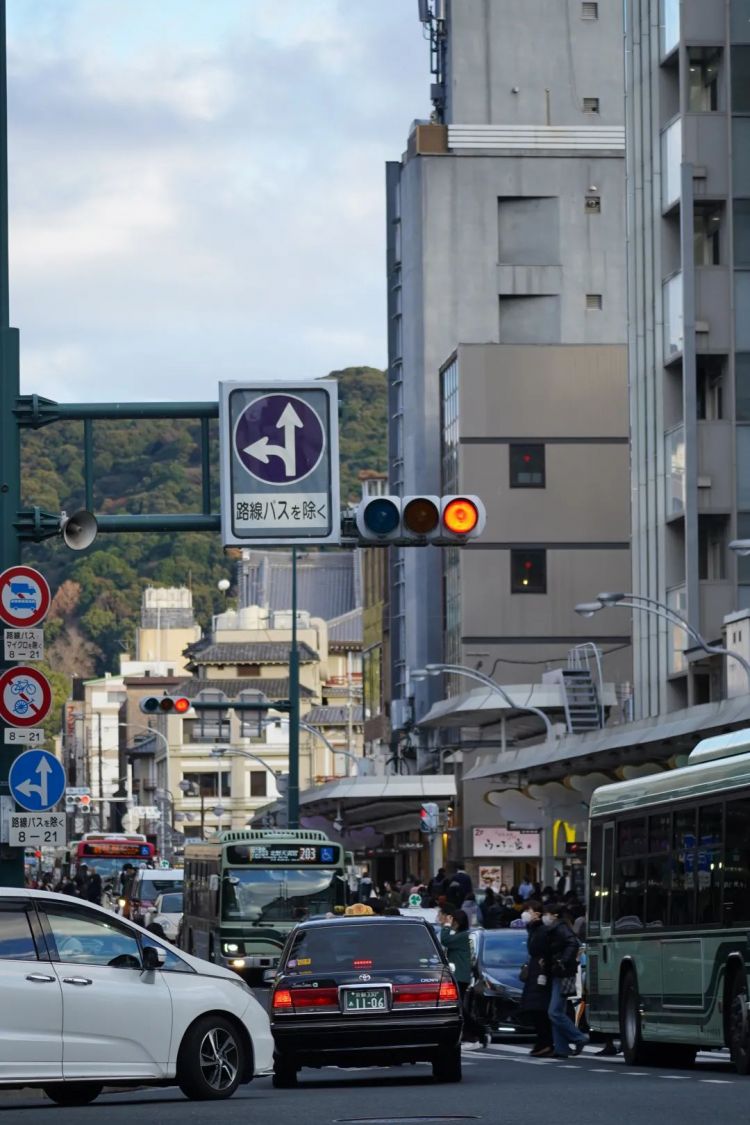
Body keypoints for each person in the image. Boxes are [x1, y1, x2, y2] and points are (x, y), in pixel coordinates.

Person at [438, 908, 489, 1048]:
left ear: (457, 922)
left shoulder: (462, 936)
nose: (450, 922)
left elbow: (445, 940)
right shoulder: (461, 936)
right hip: (458, 975)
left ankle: (477, 1033)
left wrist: (446, 926)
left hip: (460, 976)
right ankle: (476, 1033)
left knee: (459, 1009)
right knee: (459, 1008)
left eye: (452, 920)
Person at [544, 902, 588, 1059]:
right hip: (560, 972)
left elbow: (572, 943)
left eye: (546, 913)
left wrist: (562, 961)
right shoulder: (559, 926)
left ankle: (578, 1037)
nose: (545, 917)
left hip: (562, 973)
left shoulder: (560, 927)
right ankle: (561, 1047)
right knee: (558, 1011)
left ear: (553, 915)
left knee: (554, 1012)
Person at [518, 899, 554, 1057]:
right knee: (535, 1010)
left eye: (529, 910)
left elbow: (540, 950)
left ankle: (545, 1043)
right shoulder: (533, 929)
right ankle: (542, 1043)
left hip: (540, 973)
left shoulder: (542, 930)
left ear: (537, 914)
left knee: (540, 1010)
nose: (525, 913)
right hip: (535, 972)